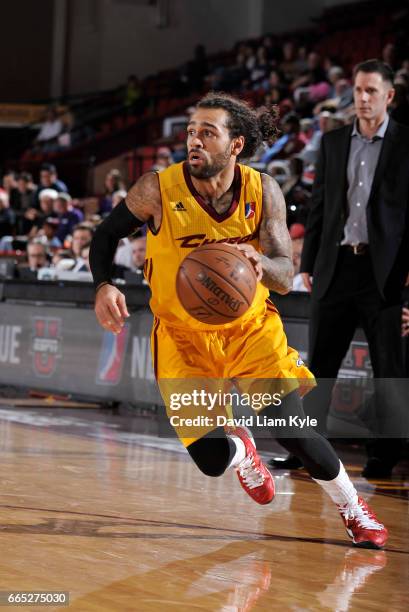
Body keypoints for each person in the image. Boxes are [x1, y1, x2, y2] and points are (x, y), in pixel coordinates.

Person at [89, 92, 388, 548]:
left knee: (293, 430)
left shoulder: (261, 189)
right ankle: (242, 451)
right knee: (210, 459)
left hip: (248, 329)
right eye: (191, 132)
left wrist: (260, 262)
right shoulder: (157, 189)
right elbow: (106, 236)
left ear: (236, 145)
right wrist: (104, 283)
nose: (195, 141)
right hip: (182, 337)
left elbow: (286, 277)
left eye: (208, 133)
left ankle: (352, 506)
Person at [298, 59, 409, 478]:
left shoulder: (406, 144)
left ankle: (383, 458)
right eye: (358, 91)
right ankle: (306, 449)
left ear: (389, 97)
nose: (362, 99)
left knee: (389, 373)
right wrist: (309, 261)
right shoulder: (333, 142)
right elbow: (319, 208)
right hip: (337, 265)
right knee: (317, 367)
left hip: (387, 275)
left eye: (371, 92)